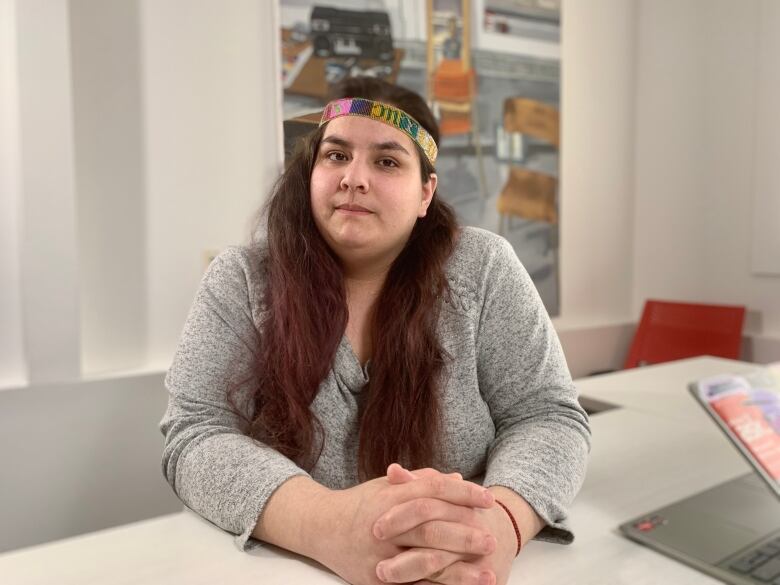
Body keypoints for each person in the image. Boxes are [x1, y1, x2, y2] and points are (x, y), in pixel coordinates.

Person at [160, 77, 590, 585]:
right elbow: (194, 433)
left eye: (387, 161)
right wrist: (325, 524)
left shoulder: (484, 267)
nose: (354, 178)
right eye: (336, 156)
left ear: (425, 193)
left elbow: (548, 416)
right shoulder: (242, 278)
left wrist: (500, 526)